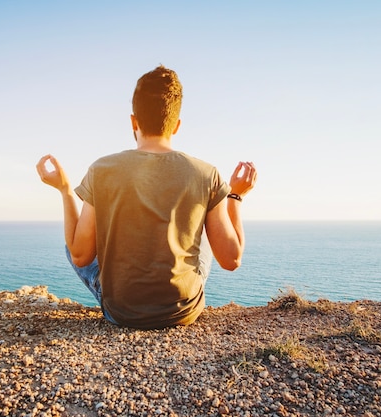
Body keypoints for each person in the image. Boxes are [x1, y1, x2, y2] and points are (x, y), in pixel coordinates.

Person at [36, 65, 257, 329]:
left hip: (122, 313)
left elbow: (80, 256)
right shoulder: (206, 173)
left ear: (133, 121)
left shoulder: (101, 170)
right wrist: (234, 196)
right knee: (207, 230)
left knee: (71, 242)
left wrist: (64, 188)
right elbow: (231, 260)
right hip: (182, 311)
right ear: (176, 126)